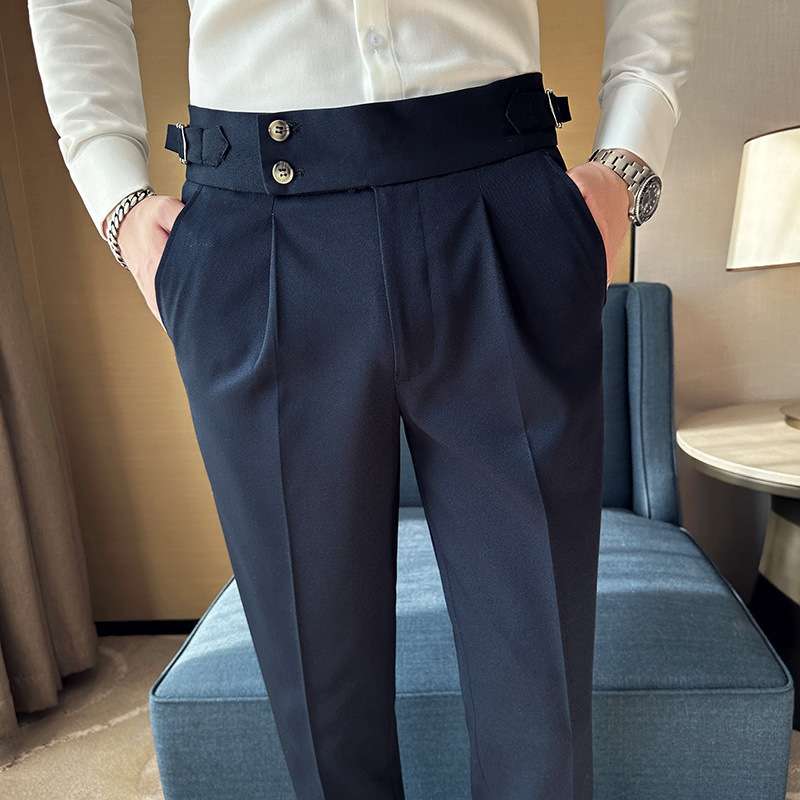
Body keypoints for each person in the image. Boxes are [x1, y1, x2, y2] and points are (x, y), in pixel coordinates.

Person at [28, 2, 697, 798]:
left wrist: (627, 159)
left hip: (501, 202)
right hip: (257, 224)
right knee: (324, 718)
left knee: (539, 706)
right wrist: (117, 199)